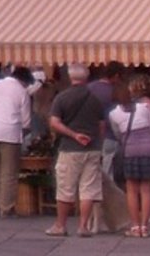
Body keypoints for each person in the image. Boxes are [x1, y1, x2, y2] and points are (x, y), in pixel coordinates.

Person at [45, 63, 105, 238]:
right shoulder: (95, 99)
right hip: (92, 148)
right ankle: (83, 226)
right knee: (88, 188)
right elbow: (102, 126)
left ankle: (60, 225)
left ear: (71, 77)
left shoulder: (62, 98)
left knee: (65, 187)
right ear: (86, 78)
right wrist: (94, 140)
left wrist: (74, 135)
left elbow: (54, 123)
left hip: (70, 148)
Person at [110, 76, 150, 237]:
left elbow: (117, 134)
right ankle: (145, 227)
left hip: (130, 150)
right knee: (146, 189)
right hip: (149, 148)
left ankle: (135, 226)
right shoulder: (144, 108)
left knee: (131, 189)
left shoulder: (114, 114)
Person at [0, 66, 34, 218]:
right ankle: (6, 207)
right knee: (9, 172)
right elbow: (26, 121)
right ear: (24, 81)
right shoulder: (22, 92)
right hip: (10, 133)